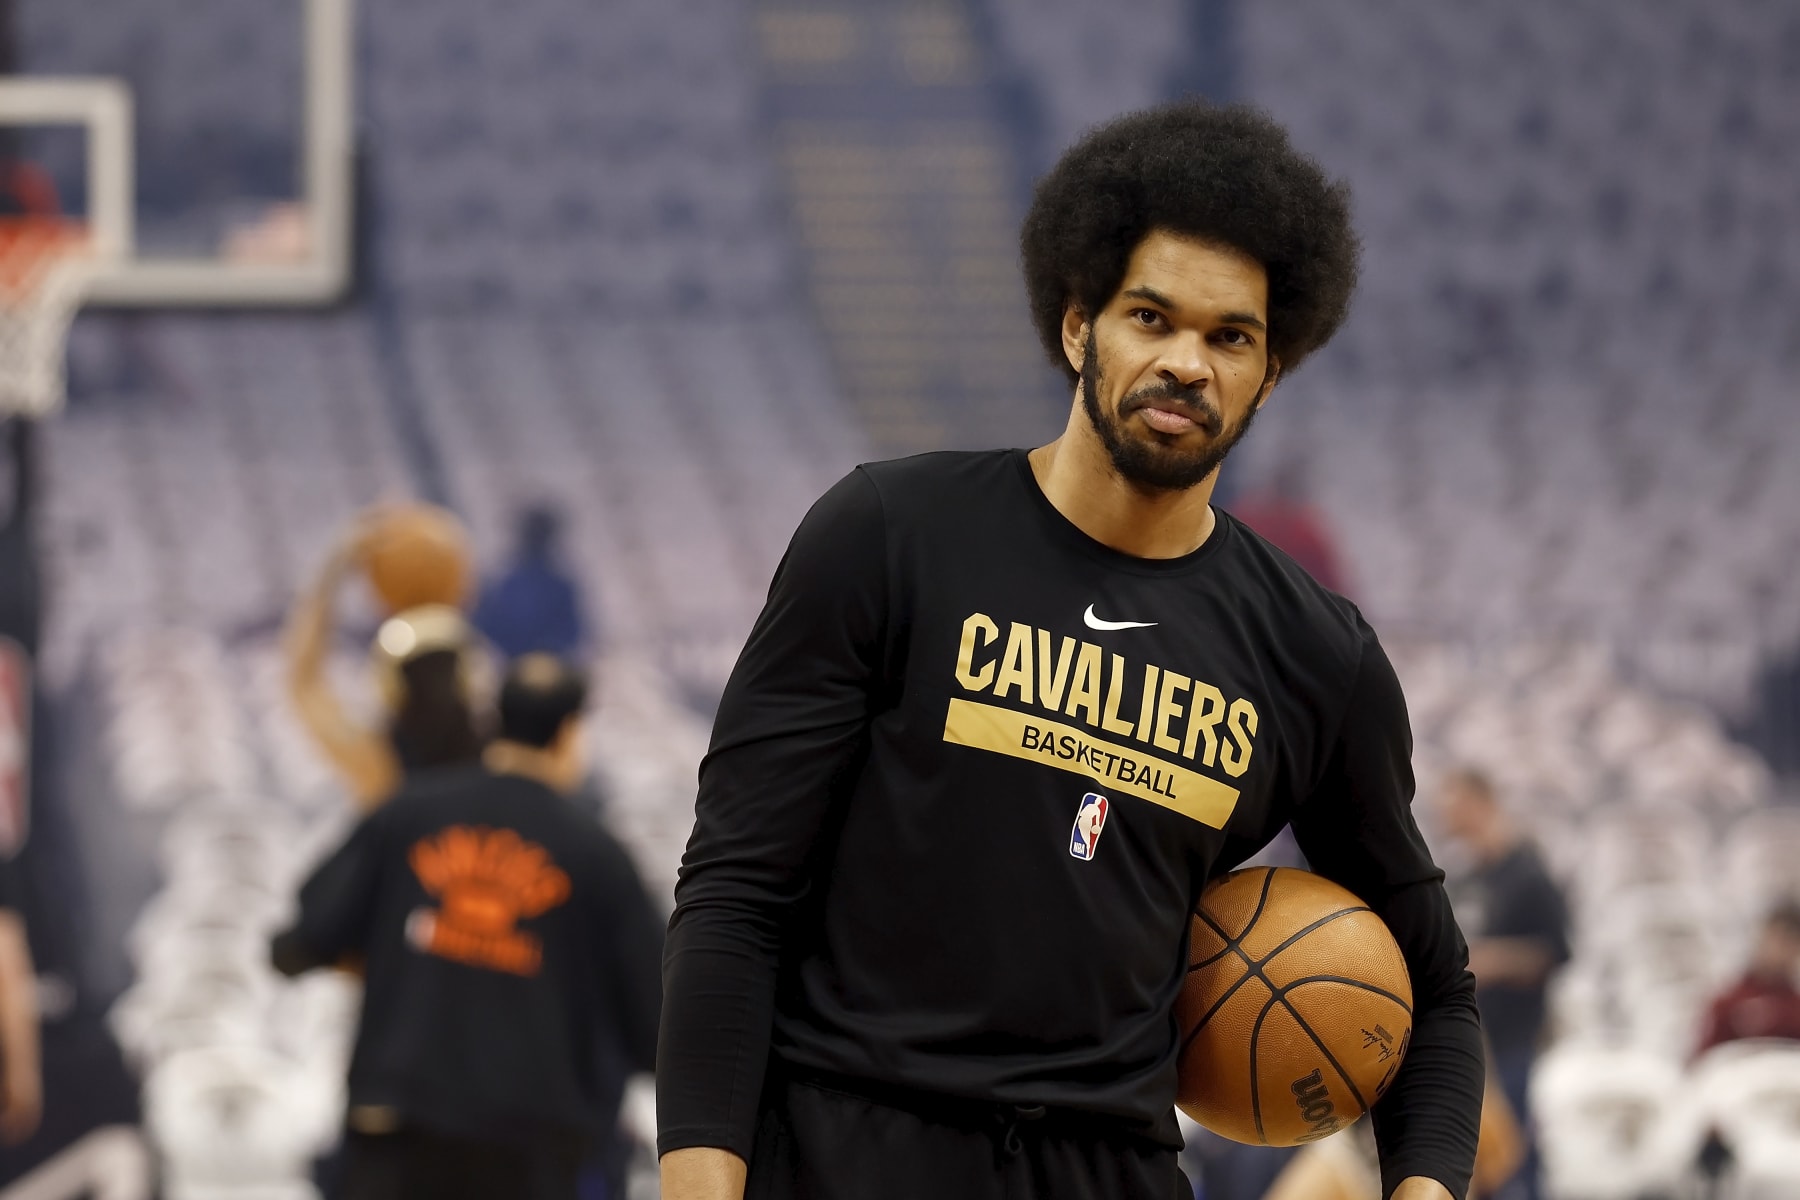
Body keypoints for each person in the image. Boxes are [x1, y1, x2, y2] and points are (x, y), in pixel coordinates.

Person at [658, 101, 1484, 1200]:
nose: (1187, 362)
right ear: (1077, 327)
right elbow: (735, 895)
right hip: (847, 1143)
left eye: (1230, 337)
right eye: (1152, 318)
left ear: (1270, 372)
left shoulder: (1315, 657)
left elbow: (1437, 993)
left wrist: (1422, 1188)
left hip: (1112, 1167)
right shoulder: (889, 536)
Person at [271, 655, 663, 1200]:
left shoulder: (408, 813)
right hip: (530, 1146)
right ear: (570, 733)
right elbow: (654, 1023)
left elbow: (303, 941)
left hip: (397, 1121)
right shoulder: (596, 855)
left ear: (496, 720)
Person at [286, 513, 486, 810]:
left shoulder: (379, 766)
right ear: (469, 678)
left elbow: (305, 683)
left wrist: (334, 569)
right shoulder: (506, 758)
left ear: (388, 686)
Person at [1434, 768, 1568, 1200]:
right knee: (1486, 1157)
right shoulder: (1469, 875)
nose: (1447, 816)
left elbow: (1556, 953)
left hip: (1513, 1037)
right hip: (1474, 1036)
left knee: (1514, 1156)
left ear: (1480, 803)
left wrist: (1490, 961)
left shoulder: (1528, 873)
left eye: (1455, 805)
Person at [473, 505, 588, 661]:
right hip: (512, 664)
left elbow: (571, 631)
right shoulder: (505, 583)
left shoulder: (560, 586)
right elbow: (487, 625)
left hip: (548, 665)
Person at [1695, 900, 1800, 1054]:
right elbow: (1705, 1057)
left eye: (1790, 942)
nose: (1780, 950)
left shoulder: (1796, 1008)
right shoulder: (1728, 1002)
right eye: (1776, 939)